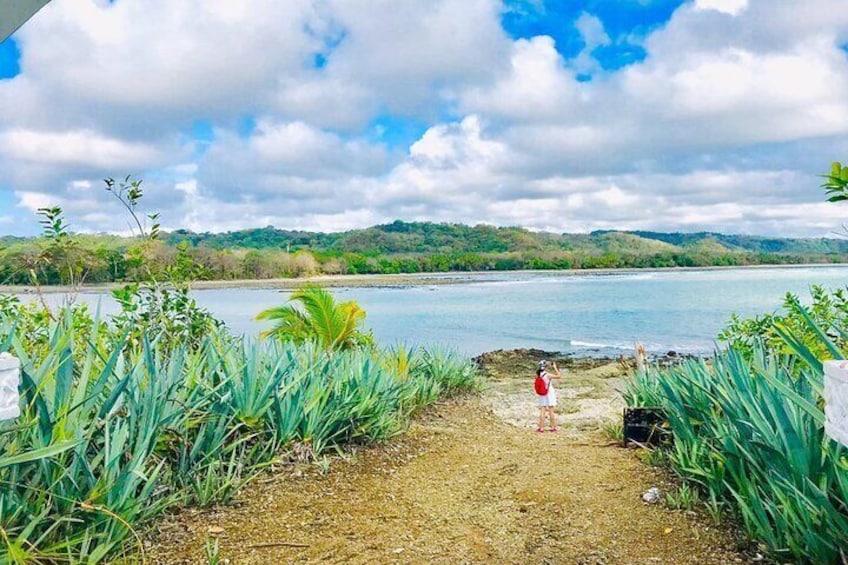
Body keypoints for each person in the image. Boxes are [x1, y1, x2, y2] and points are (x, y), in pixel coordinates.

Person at [536, 359, 562, 433]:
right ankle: (553, 428)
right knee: (551, 411)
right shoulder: (548, 375)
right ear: (546, 367)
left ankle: (540, 428)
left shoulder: (539, 374)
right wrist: (555, 367)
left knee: (542, 410)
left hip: (542, 393)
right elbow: (559, 376)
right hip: (549, 392)